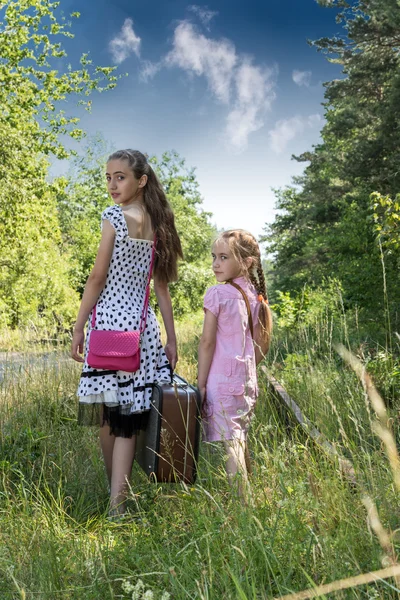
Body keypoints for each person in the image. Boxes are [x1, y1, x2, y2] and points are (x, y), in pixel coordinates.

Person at [71, 149, 183, 517]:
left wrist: (78, 325)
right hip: (143, 329)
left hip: (110, 326)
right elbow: (162, 289)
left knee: (112, 414)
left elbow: (96, 277)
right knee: (125, 415)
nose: (112, 184)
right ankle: (120, 494)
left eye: (121, 177)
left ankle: (117, 502)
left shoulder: (114, 217)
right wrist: (172, 338)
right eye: (108, 177)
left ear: (141, 180)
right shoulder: (158, 222)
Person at [197, 229, 272, 500]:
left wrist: (201, 383)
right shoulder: (255, 295)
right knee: (239, 437)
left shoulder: (218, 294)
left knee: (233, 444)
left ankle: (244, 508)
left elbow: (207, 343)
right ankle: (249, 498)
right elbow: (262, 345)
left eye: (224, 257)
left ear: (247, 262)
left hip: (222, 380)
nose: (216, 263)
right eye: (214, 257)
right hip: (246, 380)